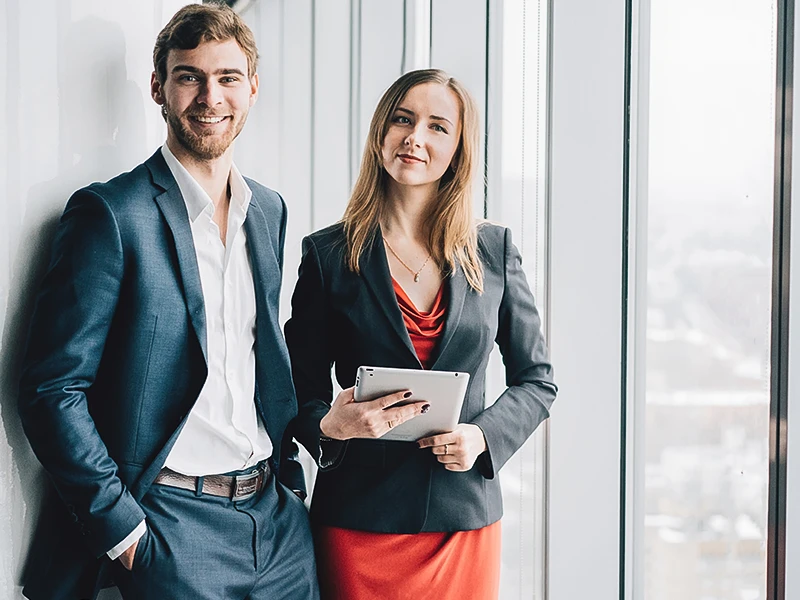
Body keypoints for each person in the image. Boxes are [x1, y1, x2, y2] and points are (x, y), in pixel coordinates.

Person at [17, 4, 319, 599]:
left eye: (228, 78)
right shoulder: (110, 215)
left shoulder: (270, 210)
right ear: (159, 87)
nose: (211, 97)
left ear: (252, 88)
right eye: (190, 77)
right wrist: (125, 533)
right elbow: (52, 388)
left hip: (278, 528)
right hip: (172, 528)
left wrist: (291, 484)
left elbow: (262, 356)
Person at [284, 68, 557, 600]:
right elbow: (295, 388)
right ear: (380, 134)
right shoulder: (327, 256)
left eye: (438, 126)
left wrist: (482, 438)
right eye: (403, 120)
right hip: (358, 522)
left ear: (457, 149)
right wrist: (330, 426)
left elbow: (537, 381)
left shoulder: (493, 251)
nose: (415, 137)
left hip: (463, 523)